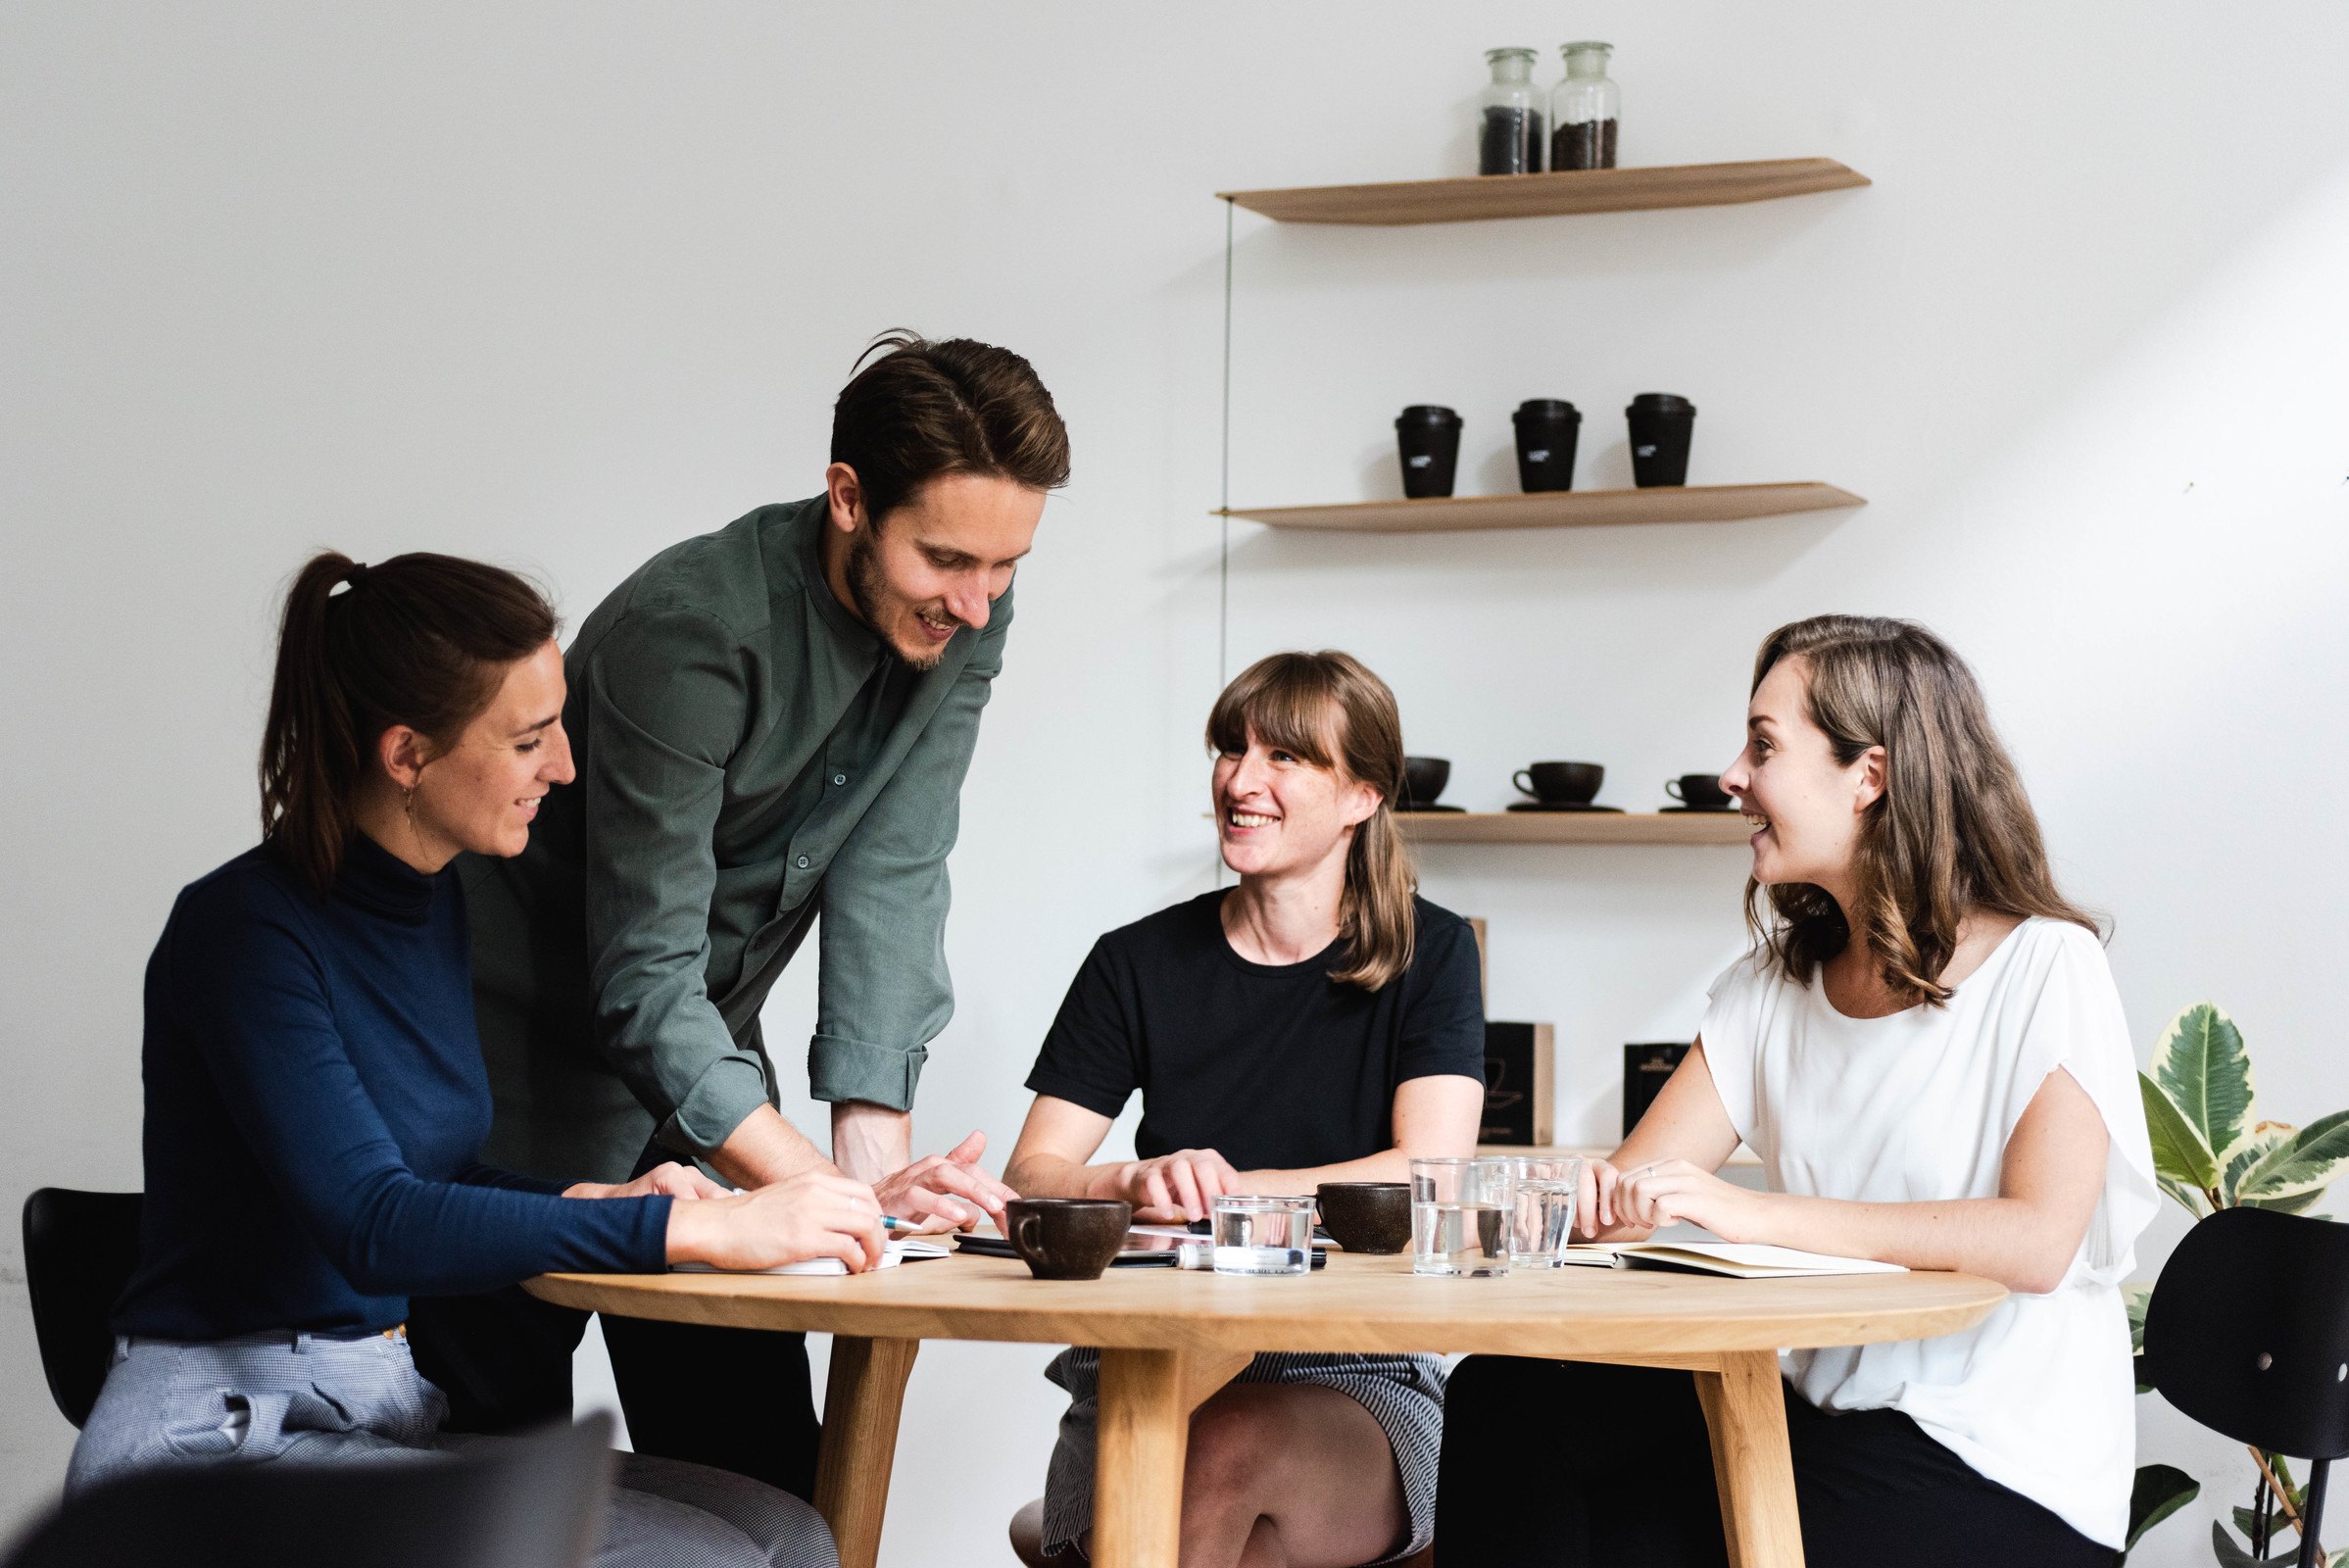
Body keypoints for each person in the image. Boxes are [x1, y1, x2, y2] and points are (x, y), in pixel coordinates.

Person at [73, 550, 883, 1568]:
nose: (566, 768)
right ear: (408, 754)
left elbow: (435, 1170)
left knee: (785, 1529)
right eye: (531, 739)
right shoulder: (244, 932)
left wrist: (592, 1195)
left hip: (375, 1413)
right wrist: (681, 1229)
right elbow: (373, 1219)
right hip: (224, 1445)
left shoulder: (432, 902)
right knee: (702, 1561)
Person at [409, 333, 1070, 1494]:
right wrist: (801, 1180)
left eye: (1007, 566)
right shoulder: (693, 634)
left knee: (762, 1492)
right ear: (849, 499)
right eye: (949, 559)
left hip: (705, 1084)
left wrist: (866, 1180)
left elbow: (898, 866)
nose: (976, 603)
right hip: (511, 1079)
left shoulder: (968, 613)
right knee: (487, 1489)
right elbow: (643, 975)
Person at [1434, 614, 2159, 1568]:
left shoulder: (2043, 966)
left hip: (2005, 1466)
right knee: (1509, 1397)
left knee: (1634, 1544)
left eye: (1763, 745)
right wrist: (1564, 1206)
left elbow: (2036, 1239)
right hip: (1820, 1417)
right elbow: (1635, 1192)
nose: (1734, 773)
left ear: (1871, 775)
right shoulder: (1771, 990)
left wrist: (1753, 1214)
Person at [1004, 651, 1487, 1568]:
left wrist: (1234, 1191)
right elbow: (1033, 1176)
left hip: (1355, 1374)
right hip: (1144, 1374)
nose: (1241, 778)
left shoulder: (1436, 952)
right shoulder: (1134, 961)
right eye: (1232, 748)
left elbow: (1429, 1173)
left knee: (1223, 1448)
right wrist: (1133, 1177)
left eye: (1286, 758)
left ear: (1363, 795)